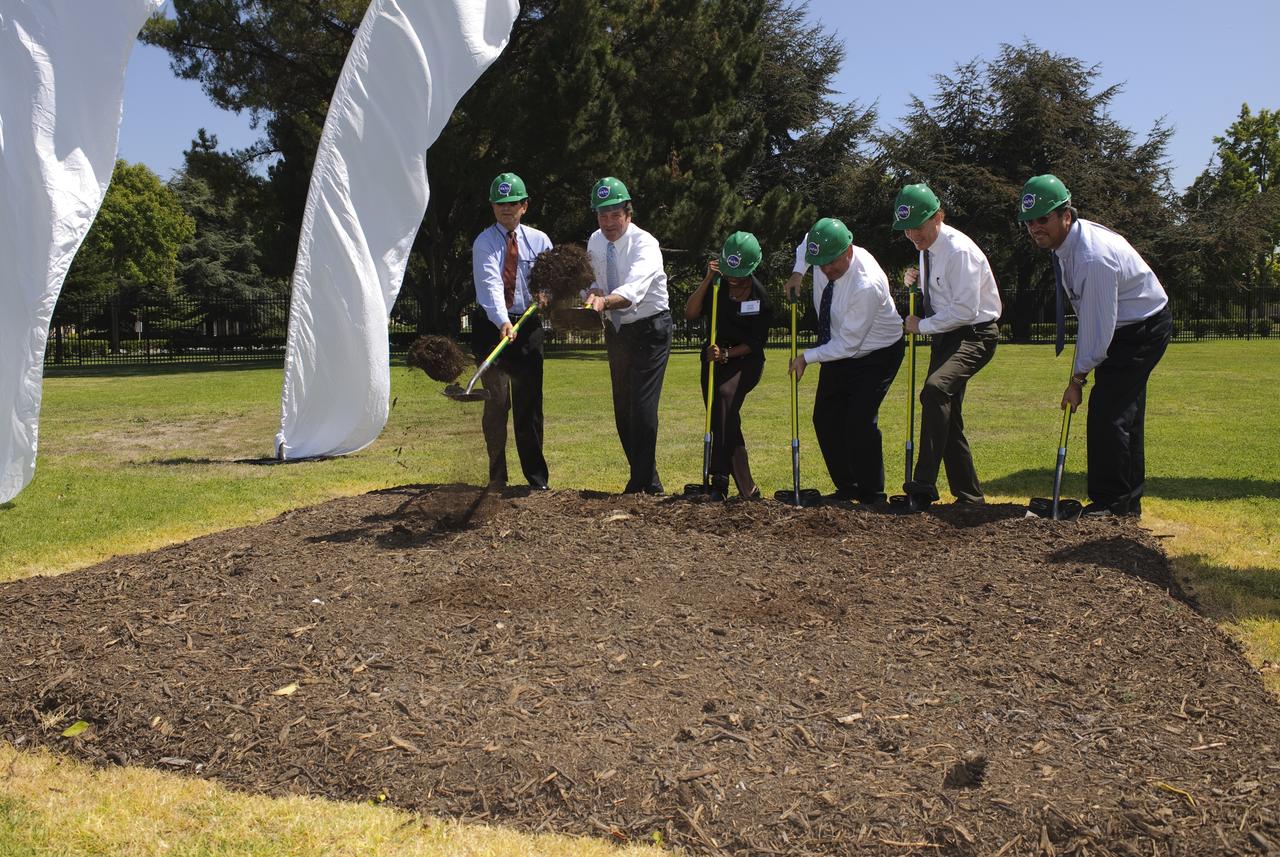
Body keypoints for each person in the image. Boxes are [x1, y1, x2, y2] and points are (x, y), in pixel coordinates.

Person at [1019, 174, 1172, 518]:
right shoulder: (1067, 246)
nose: (1035, 228)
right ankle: (1126, 505)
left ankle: (1111, 503)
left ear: (1066, 215)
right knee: (1124, 413)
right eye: (1029, 222)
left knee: (1108, 413)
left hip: (1140, 328)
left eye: (1042, 219)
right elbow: (1090, 315)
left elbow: (1099, 330)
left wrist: (1077, 381)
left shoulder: (1092, 257)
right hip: (1125, 324)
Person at [891, 183, 1003, 507]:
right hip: (947, 336)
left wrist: (921, 326)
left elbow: (965, 310)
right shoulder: (926, 248)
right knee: (946, 414)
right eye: (907, 229)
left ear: (938, 217)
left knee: (935, 390)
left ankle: (923, 484)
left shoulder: (959, 251)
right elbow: (942, 292)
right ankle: (969, 496)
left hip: (975, 334)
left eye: (918, 226)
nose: (913, 235)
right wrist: (916, 278)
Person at [785, 218, 905, 504]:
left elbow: (850, 344)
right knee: (825, 418)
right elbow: (806, 244)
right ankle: (847, 487)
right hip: (837, 345)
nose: (826, 269)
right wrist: (798, 273)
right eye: (820, 264)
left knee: (859, 421)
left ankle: (872, 494)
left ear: (848, 250)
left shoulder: (867, 284)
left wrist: (806, 357)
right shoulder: (820, 248)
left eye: (831, 263)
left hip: (877, 352)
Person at [584, 177, 672, 494]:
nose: (608, 222)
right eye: (602, 215)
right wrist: (591, 291)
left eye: (615, 214)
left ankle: (639, 485)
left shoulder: (645, 244)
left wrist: (604, 302)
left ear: (628, 213)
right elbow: (593, 281)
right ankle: (649, 482)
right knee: (623, 409)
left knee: (643, 408)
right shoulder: (595, 241)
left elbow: (633, 290)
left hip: (650, 329)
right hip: (618, 330)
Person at [469, 172, 551, 489]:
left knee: (529, 405)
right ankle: (497, 478)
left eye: (512, 203)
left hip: (527, 328)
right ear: (492, 207)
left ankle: (536, 479)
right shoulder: (484, 242)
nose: (506, 209)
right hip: (492, 327)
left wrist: (547, 294)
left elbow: (550, 279)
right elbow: (490, 284)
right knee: (497, 402)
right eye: (500, 203)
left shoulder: (540, 241)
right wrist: (502, 320)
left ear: (524, 206)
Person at [683, 231, 773, 500]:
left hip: (745, 361)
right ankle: (746, 488)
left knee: (724, 398)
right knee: (722, 416)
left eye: (739, 274)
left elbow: (755, 343)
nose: (732, 279)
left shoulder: (761, 298)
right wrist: (707, 280)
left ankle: (720, 478)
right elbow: (690, 312)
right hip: (713, 358)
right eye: (728, 272)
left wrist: (726, 354)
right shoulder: (717, 286)